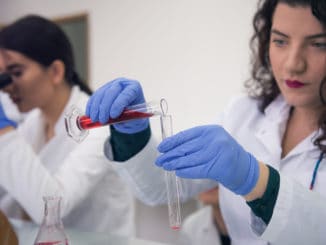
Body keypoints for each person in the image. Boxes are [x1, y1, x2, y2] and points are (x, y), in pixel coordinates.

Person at [85, 0, 326, 244]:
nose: (294, 64)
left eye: (319, 44)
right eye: (280, 41)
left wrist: (256, 181)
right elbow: (161, 187)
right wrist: (131, 133)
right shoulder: (243, 112)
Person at [0, 15, 134, 235]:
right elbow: (10, 193)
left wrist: (3, 134)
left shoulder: (99, 126)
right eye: (2, 76)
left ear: (55, 72)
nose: (6, 87)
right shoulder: (33, 124)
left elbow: (53, 208)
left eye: (16, 73)